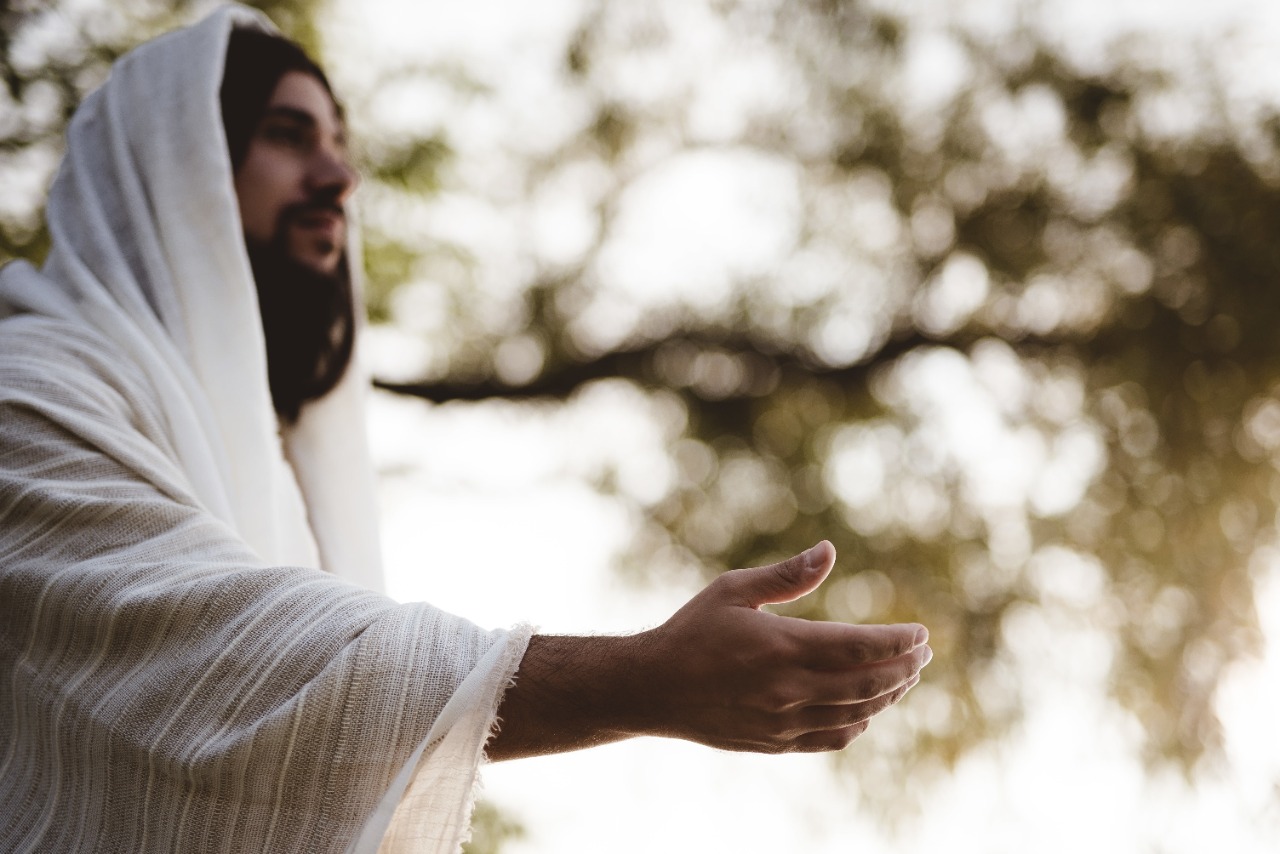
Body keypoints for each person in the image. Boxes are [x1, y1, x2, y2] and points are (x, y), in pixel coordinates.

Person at [0, 6, 931, 853]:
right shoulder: (29, 388)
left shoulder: (280, 475)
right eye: (287, 138)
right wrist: (643, 678)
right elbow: (213, 656)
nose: (338, 177)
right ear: (170, 164)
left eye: (338, 143)